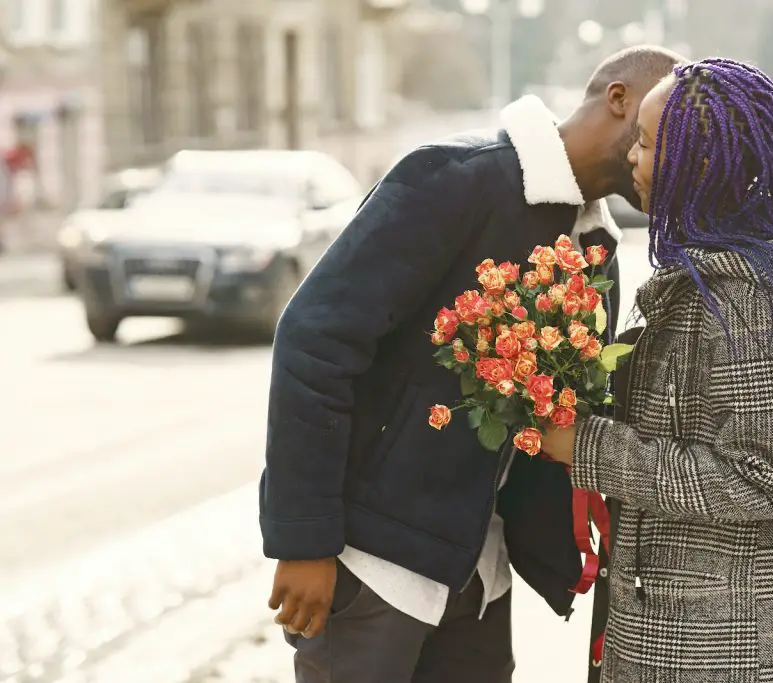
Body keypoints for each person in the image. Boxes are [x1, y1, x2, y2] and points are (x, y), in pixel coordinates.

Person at [259, 46, 681, 683]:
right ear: (620, 99)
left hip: (478, 574)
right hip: (375, 565)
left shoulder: (598, 252)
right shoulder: (455, 178)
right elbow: (314, 341)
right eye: (666, 136)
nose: (679, 165)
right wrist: (303, 538)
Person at [541, 59, 773, 682]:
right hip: (712, 630)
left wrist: (588, 446)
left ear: (700, 165)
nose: (632, 158)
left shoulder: (745, 297)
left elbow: (769, 477)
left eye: (646, 143)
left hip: (732, 646)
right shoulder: (731, 275)